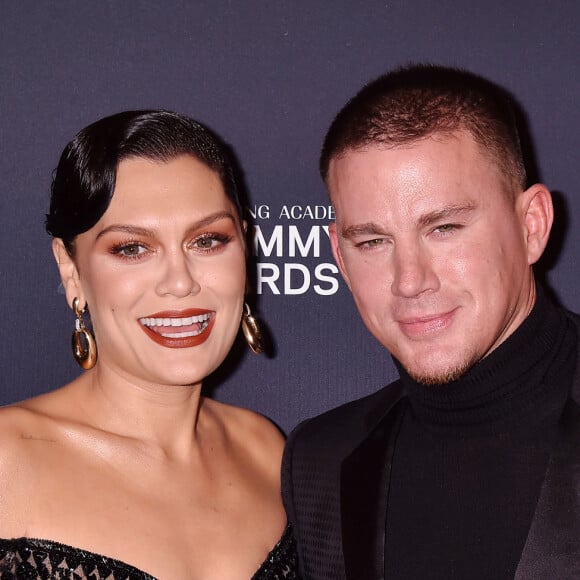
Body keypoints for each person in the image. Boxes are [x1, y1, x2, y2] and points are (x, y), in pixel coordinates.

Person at [282, 64, 580, 579]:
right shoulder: (320, 462)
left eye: (444, 228)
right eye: (373, 241)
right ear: (339, 256)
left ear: (531, 226)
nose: (409, 280)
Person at [0, 110, 298, 579]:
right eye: (132, 248)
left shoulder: (267, 451)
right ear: (71, 270)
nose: (180, 283)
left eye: (208, 240)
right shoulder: (8, 459)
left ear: (245, 245)